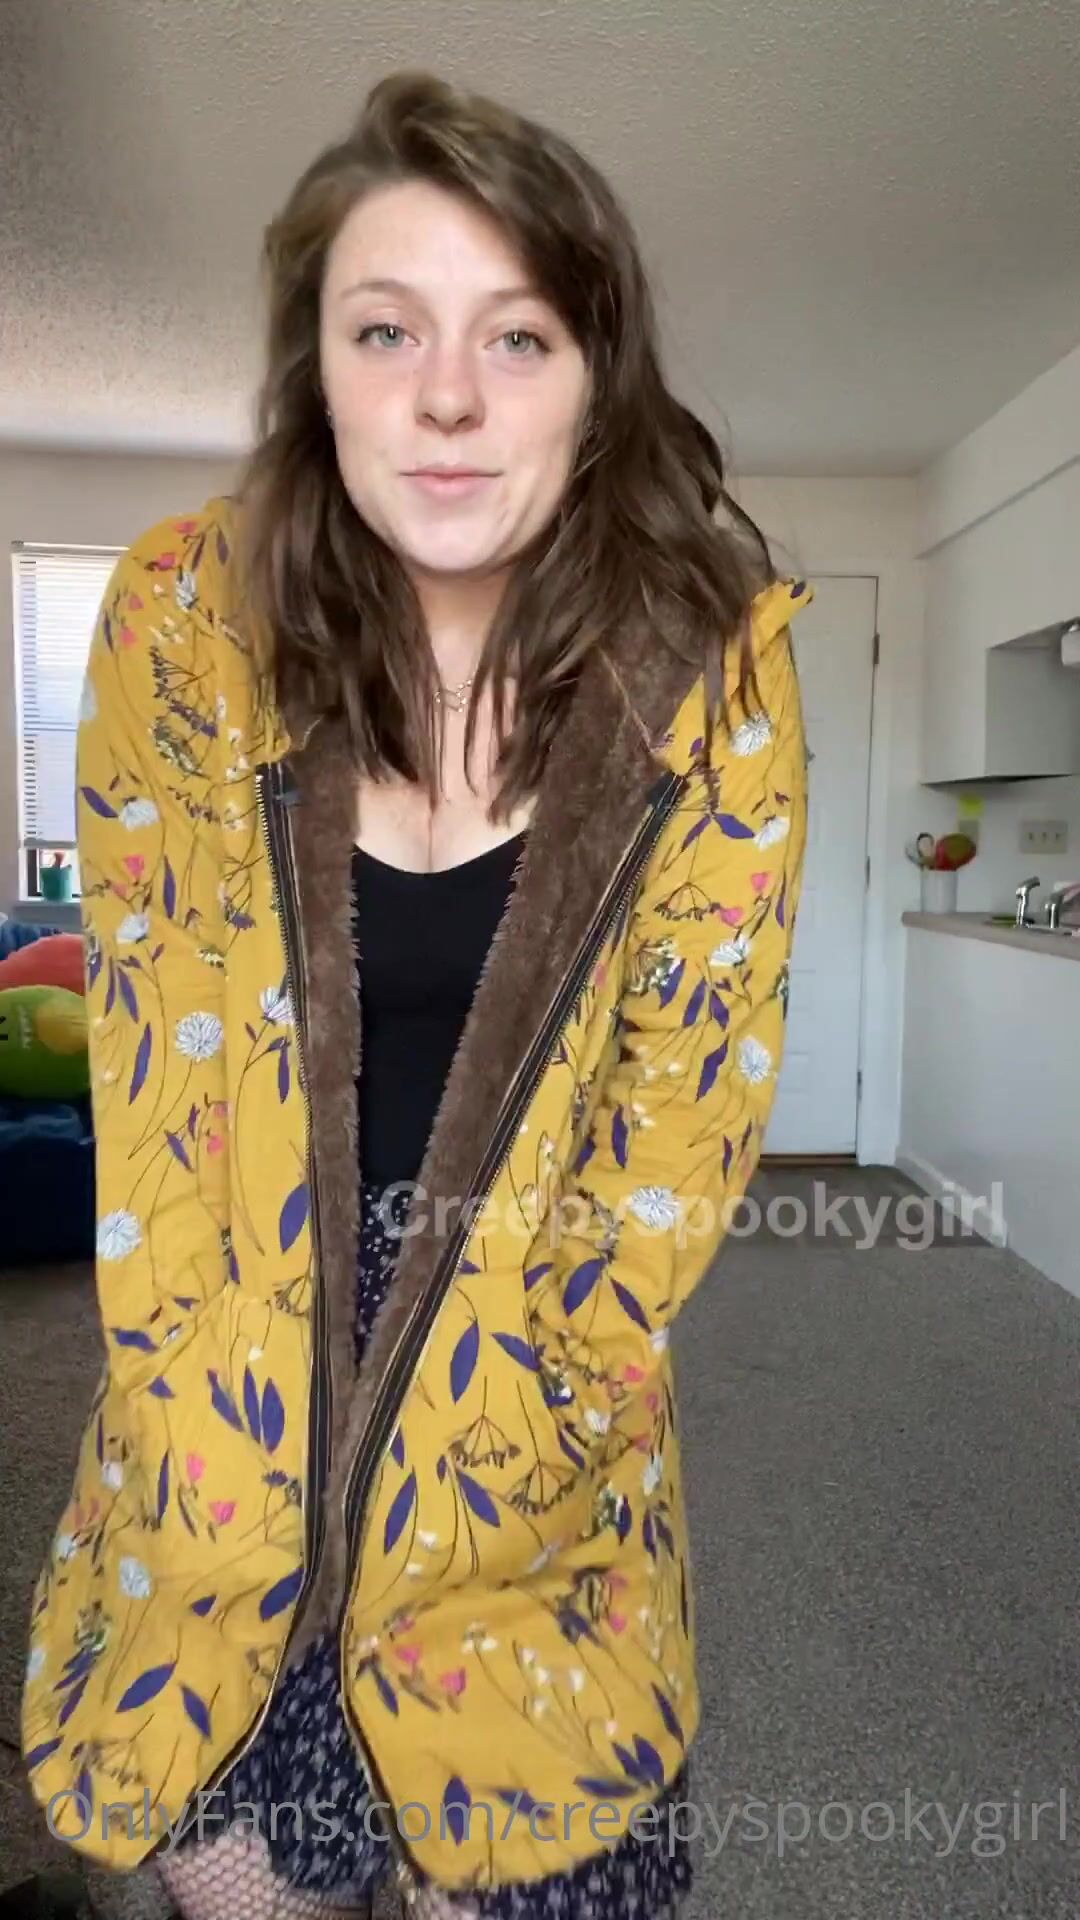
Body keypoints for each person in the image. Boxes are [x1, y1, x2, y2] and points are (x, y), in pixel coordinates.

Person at [21, 69, 811, 1920]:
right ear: (319, 372)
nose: (449, 395)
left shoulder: (714, 680)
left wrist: (543, 1412)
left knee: (525, 1864)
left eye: (516, 336)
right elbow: (155, 1087)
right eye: (388, 330)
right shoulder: (178, 627)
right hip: (232, 1392)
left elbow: (679, 1126)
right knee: (242, 1881)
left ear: (595, 378)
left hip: (530, 1405)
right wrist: (200, 1448)